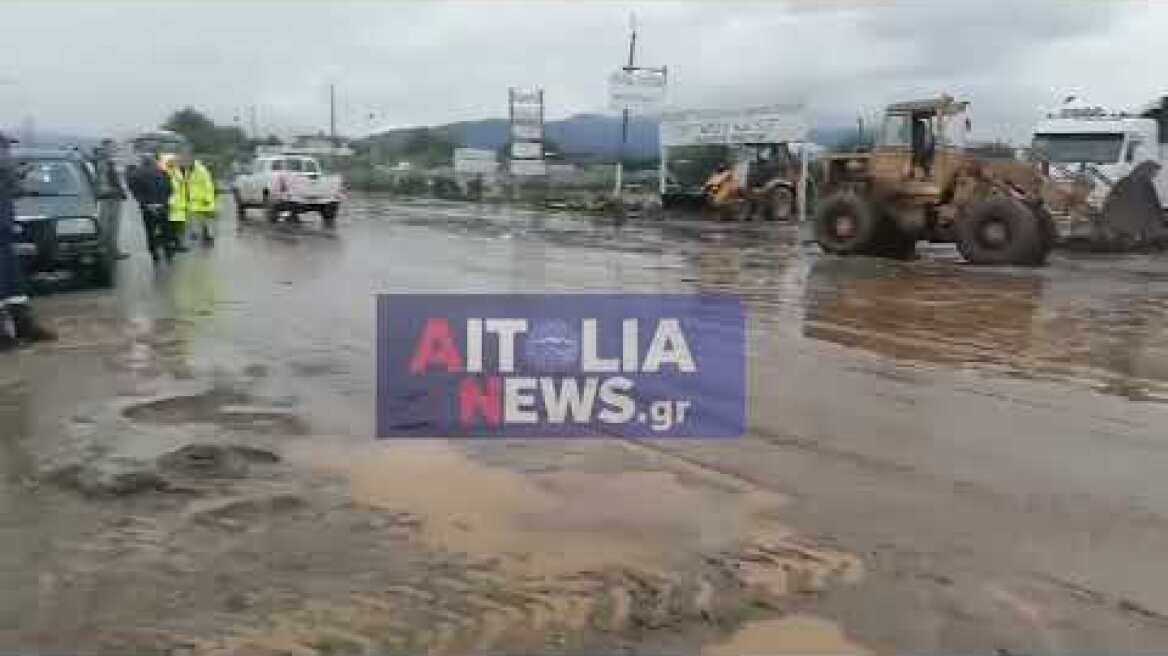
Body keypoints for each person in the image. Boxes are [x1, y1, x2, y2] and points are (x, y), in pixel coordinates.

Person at [0, 132, 56, 350]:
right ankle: (2, 338)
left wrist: (19, 176)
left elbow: (16, 191)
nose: (8, 154)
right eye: (5, 149)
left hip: (5, 234)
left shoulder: (5, 174)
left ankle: (25, 327)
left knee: (14, 286)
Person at [126, 153, 174, 262]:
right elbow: (170, 188)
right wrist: (164, 201)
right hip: (162, 205)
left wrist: (145, 203)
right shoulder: (162, 172)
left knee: (150, 230)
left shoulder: (137, 174)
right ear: (153, 161)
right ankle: (168, 251)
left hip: (147, 207)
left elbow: (135, 190)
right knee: (166, 229)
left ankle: (154, 253)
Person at [167, 149, 218, 246]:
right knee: (192, 219)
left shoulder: (201, 170)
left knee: (204, 220)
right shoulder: (185, 170)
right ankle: (198, 235)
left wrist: (208, 199)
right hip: (191, 199)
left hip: (202, 200)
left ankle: (208, 237)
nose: (183, 163)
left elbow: (209, 185)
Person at [91, 138, 129, 260]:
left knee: (109, 225)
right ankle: (108, 250)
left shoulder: (104, 160)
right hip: (109, 197)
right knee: (108, 225)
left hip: (111, 196)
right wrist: (117, 191)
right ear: (105, 147)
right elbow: (103, 182)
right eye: (112, 147)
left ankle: (109, 249)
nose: (113, 149)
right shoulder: (103, 161)